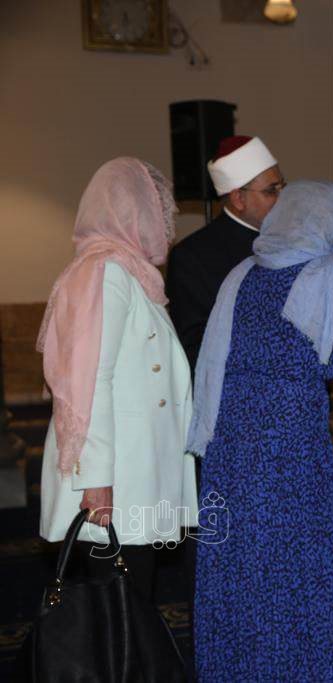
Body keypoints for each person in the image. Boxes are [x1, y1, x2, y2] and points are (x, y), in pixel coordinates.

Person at [189, 181, 333, 680]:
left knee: (240, 567)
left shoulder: (242, 275)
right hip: (292, 452)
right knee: (296, 566)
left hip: (231, 447)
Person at [37, 157, 197, 601]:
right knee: (120, 600)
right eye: (156, 211)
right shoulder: (107, 273)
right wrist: (96, 480)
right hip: (115, 476)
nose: (164, 225)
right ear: (131, 213)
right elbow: (89, 381)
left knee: (129, 596)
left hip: (136, 467)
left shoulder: (131, 273)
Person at [166, 135, 284, 371]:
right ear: (238, 198)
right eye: (271, 191)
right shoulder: (192, 257)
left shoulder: (291, 242)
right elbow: (195, 348)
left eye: (283, 187)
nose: (282, 200)